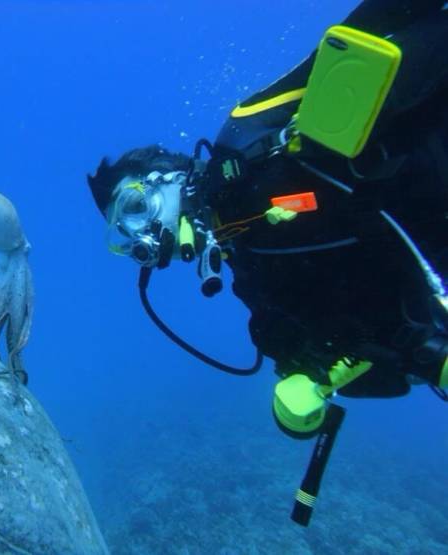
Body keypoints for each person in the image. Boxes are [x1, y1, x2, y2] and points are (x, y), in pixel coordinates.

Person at [87, 0, 447, 524]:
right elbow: (345, 353)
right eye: (126, 238)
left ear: (166, 176)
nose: (141, 238)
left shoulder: (248, 137)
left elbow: (368, 37)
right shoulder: (252, 269)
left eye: (136, 210)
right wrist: (303, 392)